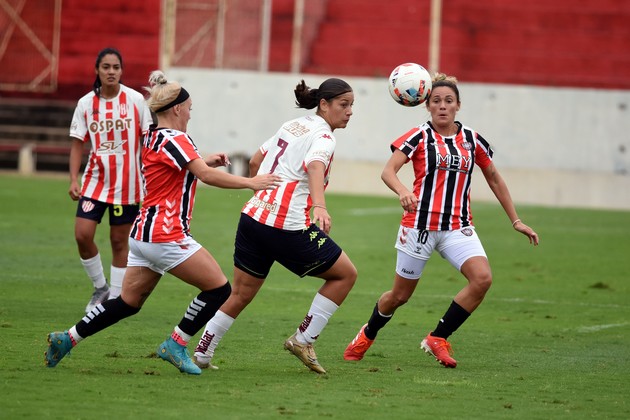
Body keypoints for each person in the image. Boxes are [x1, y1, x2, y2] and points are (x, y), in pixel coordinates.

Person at [45, 70, 281, 375]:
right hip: (166, 234)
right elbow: (204, 175)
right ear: (177, 108)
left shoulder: (153, 136)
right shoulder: (178, 139)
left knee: (127, 303)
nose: (191, 115)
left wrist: (204, 160)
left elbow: (179, 167)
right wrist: (251, 182)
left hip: (142, 235)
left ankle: (67, 338)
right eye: (190, 109)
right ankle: (176, 343)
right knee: (219, 289)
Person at [343, 73, 539, 368]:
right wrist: (403, 191)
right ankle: (367, 333)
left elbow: (494, 178)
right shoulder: (418, 136)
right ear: (427, 106)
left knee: (482, 279)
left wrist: (516, 220)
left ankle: (438, 337)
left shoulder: (472, 139)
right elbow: (388, 171)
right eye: (436, 101)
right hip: (419, 226)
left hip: (458, 226)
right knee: (399, 296)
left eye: (449, 101)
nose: (442, 106)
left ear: (458, 105)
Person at [192, 78, 358, 374]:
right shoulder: (324, 136)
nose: (349, 112)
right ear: (324, 104)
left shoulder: (293, 125)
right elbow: (315, 166)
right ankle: (303, 339)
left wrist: (263, 198)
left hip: (253, 218)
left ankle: (202, 352)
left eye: (352, 106)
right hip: (286, 226)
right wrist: (319, 205)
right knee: (345, 275)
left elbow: (256, 161)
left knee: (240, 293)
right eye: (344, 105)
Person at [68, 48, 153, 313]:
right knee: (82, 235)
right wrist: (73, 179)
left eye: (116, 67)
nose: (111, 72)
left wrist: (149, 174)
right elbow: (77, 143)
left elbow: (148, 140)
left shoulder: (136, 100)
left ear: (121, 70)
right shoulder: (85, 104)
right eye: (106, 67)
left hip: (128, 185)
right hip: (95, 182)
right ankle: (100, 287)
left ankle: (114, 298)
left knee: (119, 241)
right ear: (97, 70)